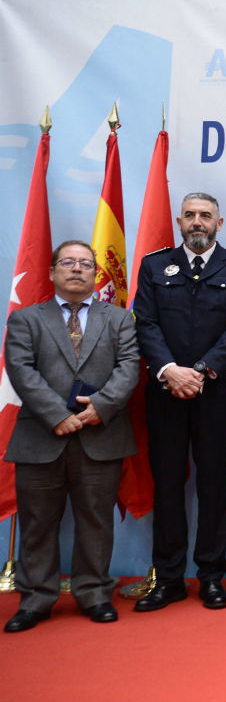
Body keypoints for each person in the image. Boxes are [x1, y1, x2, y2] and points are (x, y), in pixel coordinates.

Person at [3, 241, 139, 632]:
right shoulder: (26, 319)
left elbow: (129, 366)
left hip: (101, 434)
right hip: (41, 436)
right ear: (51, 272)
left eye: (85, 263)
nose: (77, 269)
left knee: (96, 521)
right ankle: (35, 599)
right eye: (68, 262)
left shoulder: (119, 319)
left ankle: (95, 594)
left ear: (96, 273)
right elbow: (20, 369)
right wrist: (57, 415)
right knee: (38, 523)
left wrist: (101, 406)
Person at [133, 192, 226, 611]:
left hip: (216, 395)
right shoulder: (154, 265)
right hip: (166, 393)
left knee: (213, 486)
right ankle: (168, 579)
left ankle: (210, 576)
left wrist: (202, 371)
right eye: (190, 215)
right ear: (178, 221)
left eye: (205, 215)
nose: (197, 222)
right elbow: (145, 323)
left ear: (219, 223)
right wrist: (170, 370)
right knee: (168, 486)